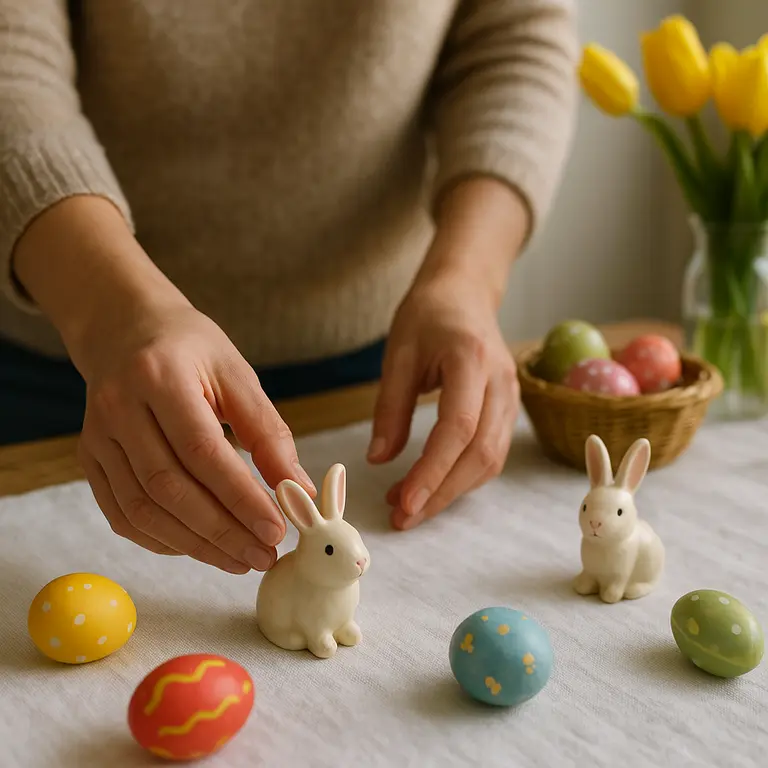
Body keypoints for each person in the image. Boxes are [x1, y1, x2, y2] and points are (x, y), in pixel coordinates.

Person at [0, 1, 577, 573]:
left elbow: (514, 39)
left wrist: (468, 278)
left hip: (383, 377)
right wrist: (114, 315)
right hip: (77, 370)